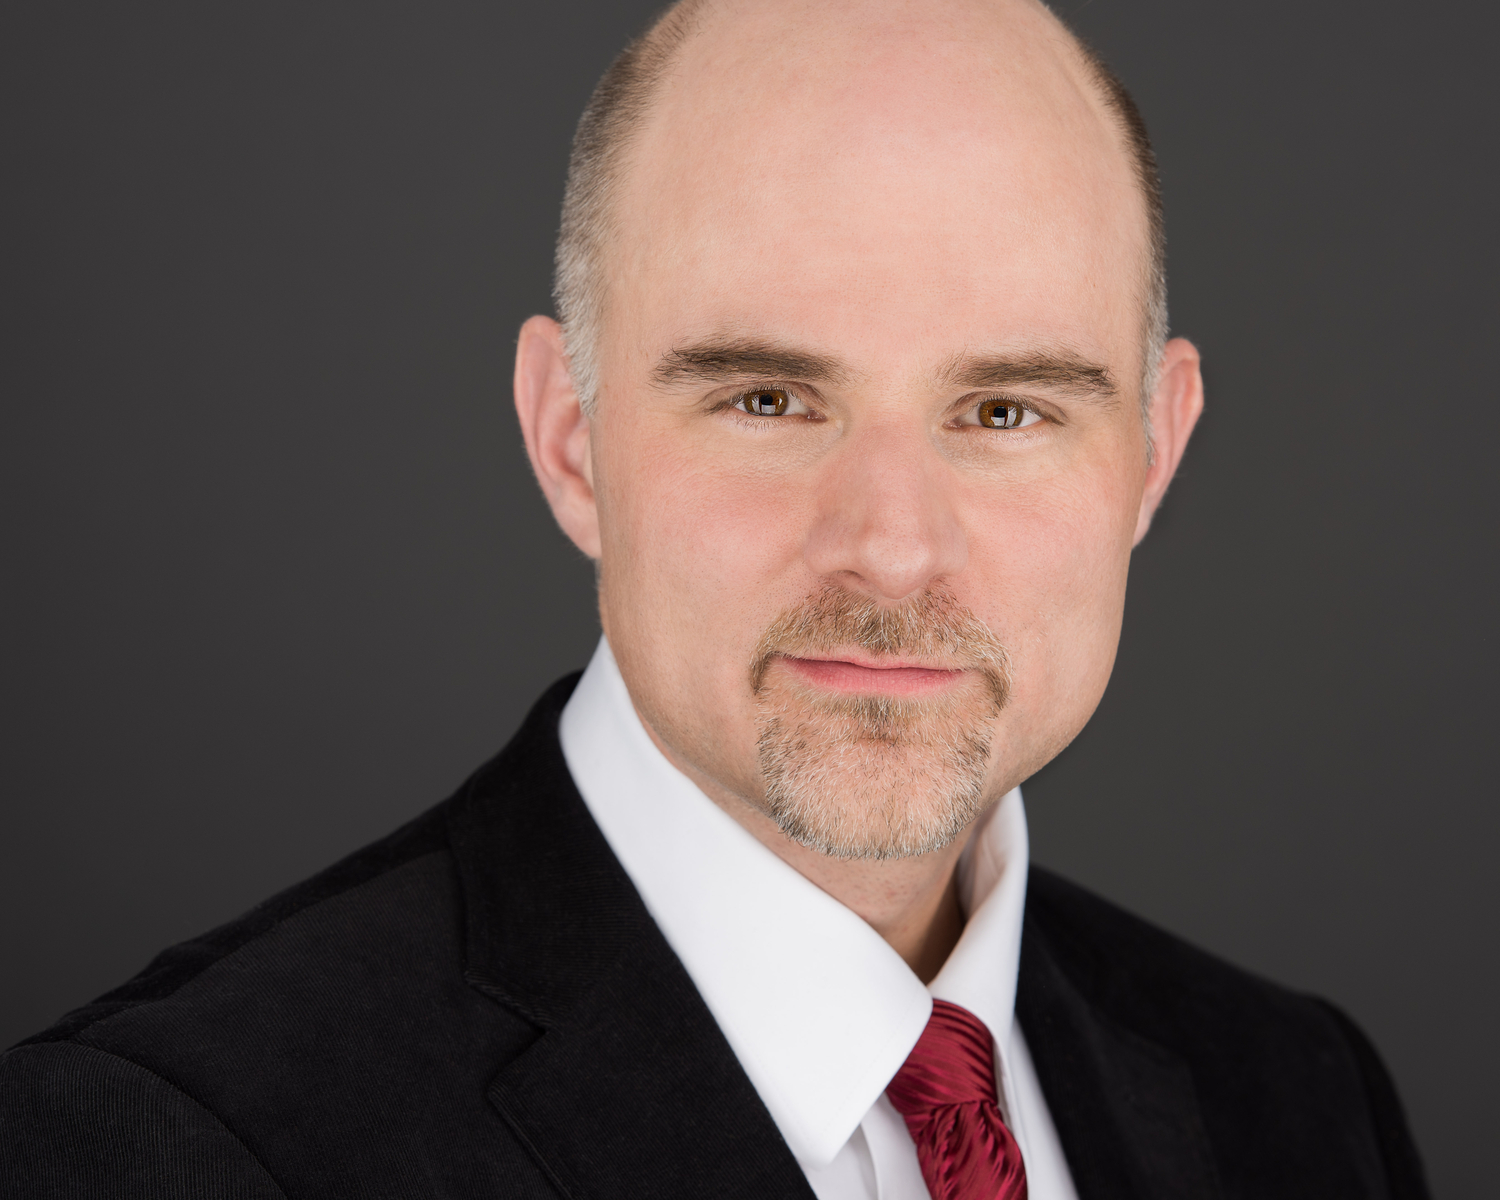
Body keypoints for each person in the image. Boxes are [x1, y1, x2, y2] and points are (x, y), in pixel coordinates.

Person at [0, 0, 1429, 1196]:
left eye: (1005, 412)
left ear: (1153, 456)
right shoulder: (169, 1146)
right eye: (769, 399)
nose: (892, 548)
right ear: (572, 439)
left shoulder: (1298, 1102)